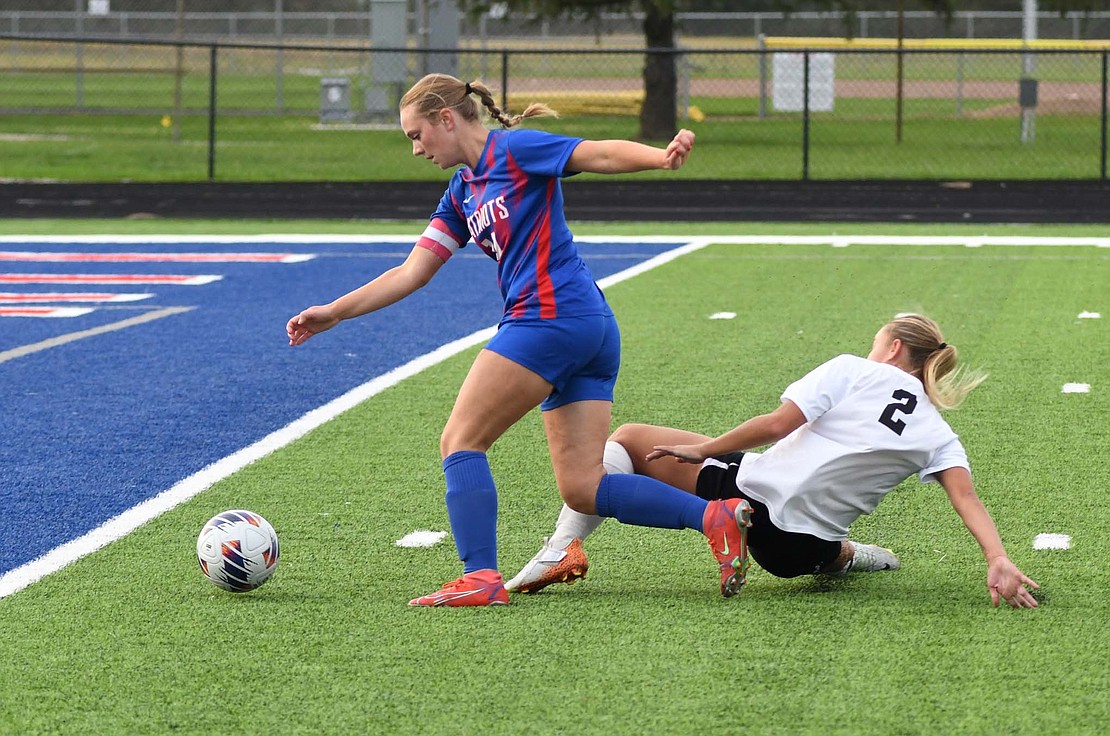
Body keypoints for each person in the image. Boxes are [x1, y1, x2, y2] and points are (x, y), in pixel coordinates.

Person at [288, 73, 739, 608]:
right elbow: (412, 271)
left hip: (548, 319)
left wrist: (659, 158)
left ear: (446, 119)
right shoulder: (460, 193)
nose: (414, 149)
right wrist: (334, 312)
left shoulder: (516, 150)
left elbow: (594, 154)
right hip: (584, 325)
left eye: (416, 134)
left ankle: (479, 577)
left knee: (460, 441)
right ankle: (716, 516)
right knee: (582, 486)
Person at [506, 314, 1042, 609]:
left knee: (627, 440)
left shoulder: (856, 369)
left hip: (752, 500)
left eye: (876, 339)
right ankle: (857, 556)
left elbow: (776, 424)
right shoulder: (938, 432)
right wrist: (996, 556)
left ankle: (559, 550)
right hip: (797, 552)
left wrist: (703, 447)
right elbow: (966, 498)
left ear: (894, 347)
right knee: (824, 543)